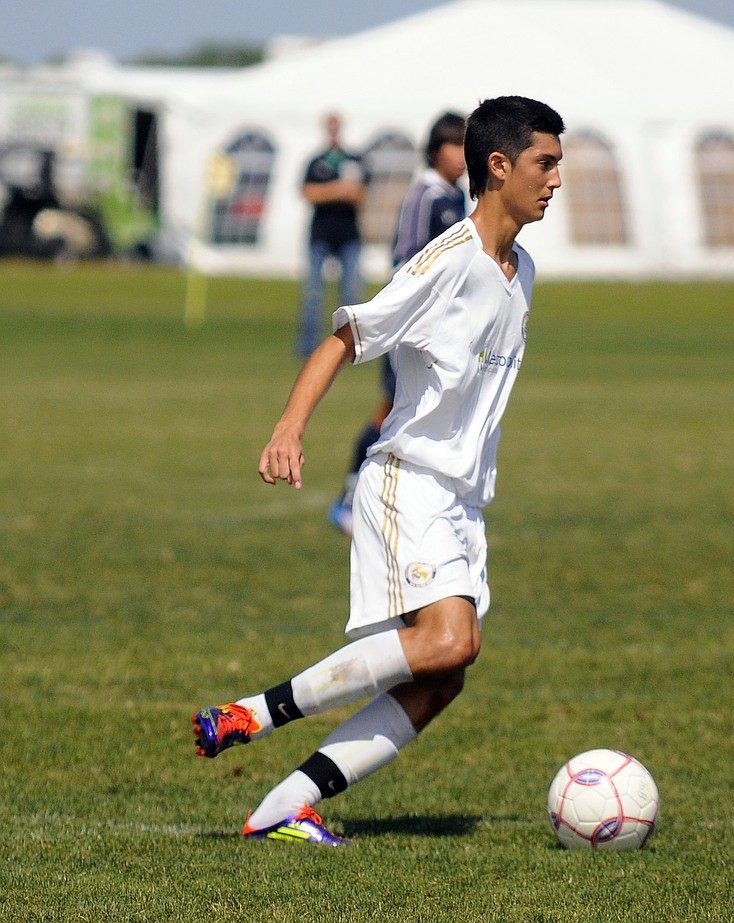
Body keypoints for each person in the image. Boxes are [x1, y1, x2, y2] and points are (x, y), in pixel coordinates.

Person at [192, 96, 565, 846]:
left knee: (442, 677)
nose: (557, 180)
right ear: (498, 167)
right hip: (408, 481)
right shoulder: (447, 262)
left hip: (461, 500)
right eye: (545, 164)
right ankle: (251, 712)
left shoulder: (520, 267)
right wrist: (289, 427)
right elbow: (344, 336)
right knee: (450, 641)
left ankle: (281, 810)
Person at [328, 111, 468, 535]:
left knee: (430, 411)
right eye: (454, 146)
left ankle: (409, 500)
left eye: (467, 146)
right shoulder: (424, 197)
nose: (462, 156)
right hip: (413, 329)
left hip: (444, 332)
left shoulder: (457, 197)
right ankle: (350, 497)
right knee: (392, 408)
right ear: (435, 149)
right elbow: (405, 260)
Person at [295, 113, 368, 357]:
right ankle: (307, 346)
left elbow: (361, 196)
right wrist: (338, 190)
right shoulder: (317, 161)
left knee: (350, 294)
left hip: (348, 234)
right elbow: (307, 192)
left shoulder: (353, 160)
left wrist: (331, 192)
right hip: (321, 233)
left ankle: (351, 346)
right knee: (313, 294)